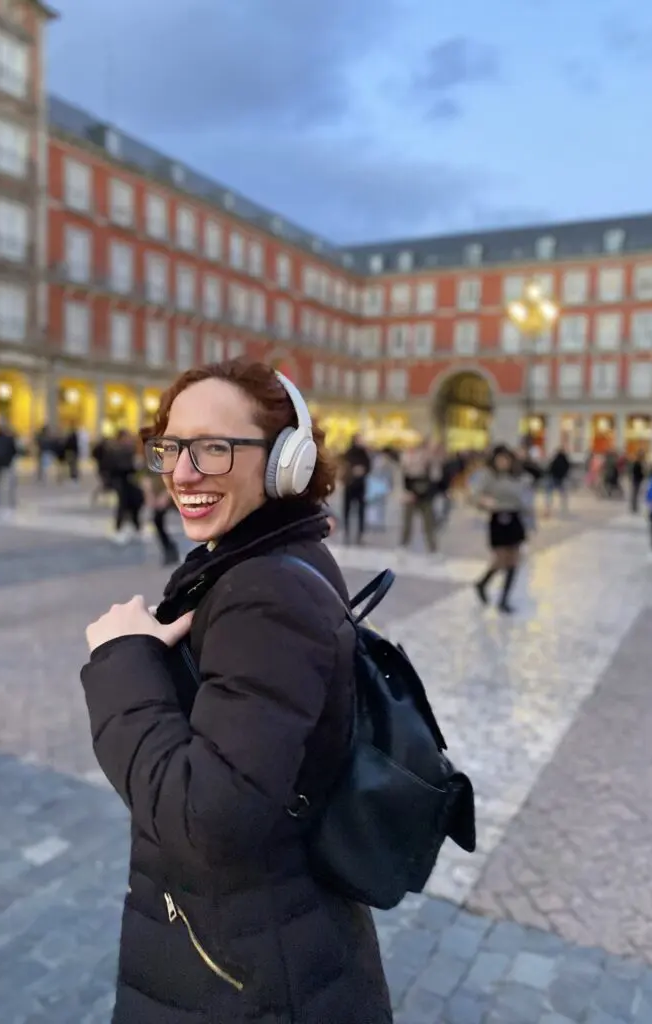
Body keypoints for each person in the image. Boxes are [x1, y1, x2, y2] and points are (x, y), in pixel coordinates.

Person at [80, 358, 391, 1024]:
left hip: (248, 976)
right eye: (172, 448)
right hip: (261, 944)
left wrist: (119, 661)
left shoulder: (266, 592)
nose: (184, 474)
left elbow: (207, 821)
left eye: (215, 449)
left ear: (286, 461)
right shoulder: (267, 564)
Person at [472, 444, 530, 614]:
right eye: (500, 459)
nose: (503, 462)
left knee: (514, 559)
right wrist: (484, 502)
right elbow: (475, 495)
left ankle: (504, 599)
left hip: (515, 518)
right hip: (498, 518)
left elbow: (524, 497)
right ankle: (482, 583)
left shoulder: (518, 476)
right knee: (501, 558)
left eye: (506, 459)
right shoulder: (488, 476)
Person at [400, 440, 441, 552]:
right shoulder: (412, 460)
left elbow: (435, 482)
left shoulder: (432, 463)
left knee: (429, 525)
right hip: (412, 495)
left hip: (425, 497)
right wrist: (409, 493)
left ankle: (432, 549)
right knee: (407, 523)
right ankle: (403, 545)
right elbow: (407, 478)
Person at [340, 433, 371, 544]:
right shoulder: (349, 453)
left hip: (360, 486)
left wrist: (363, 470)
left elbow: (368, 466)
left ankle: (360, 534)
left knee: (361, 511)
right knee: (347, 510)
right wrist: (353, 470)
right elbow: (343, 466)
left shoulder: (363, 453)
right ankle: (346, 533)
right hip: (349, 485)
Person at [545, 446, 571, 517]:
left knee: (549, 494)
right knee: (563, 495)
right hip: (561, 479)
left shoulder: (555, 460)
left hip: (553, 478)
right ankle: (564, 508)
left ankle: (548, 508)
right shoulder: (565, 460)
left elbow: (550, 469)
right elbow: (567, 469)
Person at [629, 449, 647, 515]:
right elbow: (635, 471)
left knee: (636, 494)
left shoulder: (640, 462)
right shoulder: (637, 462)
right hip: (636, 479)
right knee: (635, 494)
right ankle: (634, 507)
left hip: (638, 479)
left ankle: (635, 507)